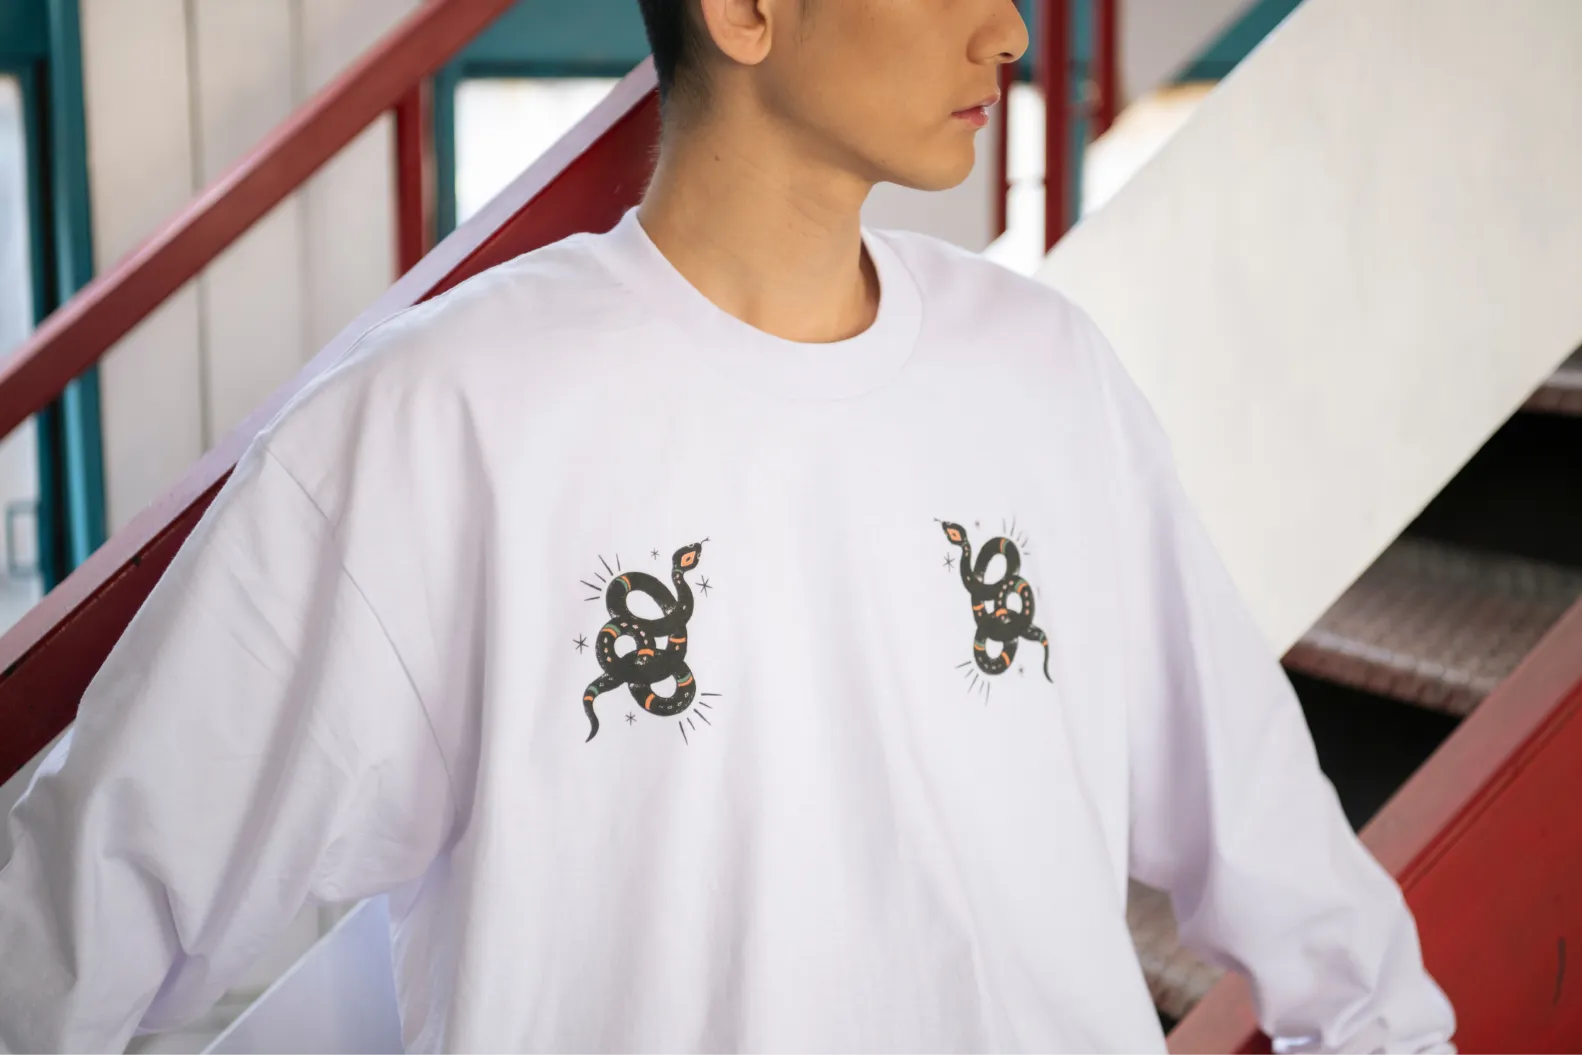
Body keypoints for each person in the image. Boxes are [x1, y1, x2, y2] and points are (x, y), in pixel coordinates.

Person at [0, 0, 1456, 1052]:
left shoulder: (1046, 370)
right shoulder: (446, 417)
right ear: (745, 9)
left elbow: (1260, 817)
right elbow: (82, 915)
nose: (1010, 30)